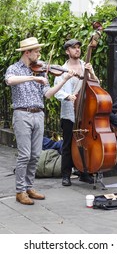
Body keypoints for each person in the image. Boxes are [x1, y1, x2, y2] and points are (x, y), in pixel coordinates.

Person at [5, 37, 75, 205]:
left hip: (39, 114)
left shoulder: (41, 70)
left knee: (35, 155)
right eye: (36, 51)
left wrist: (64, 80)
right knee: (24, 155)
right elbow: (10, 81)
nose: (39, 54)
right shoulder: (14, 68)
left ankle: (29, 187)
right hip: (22, 114)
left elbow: (48, 94)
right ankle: (20, 191)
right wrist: (32, 78)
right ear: (27, 53)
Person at [54, 39, 99, 186]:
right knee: (67, 144)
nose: (77, 50)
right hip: (69, 112)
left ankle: (84, 172)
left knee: (84, 142)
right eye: (74, 48)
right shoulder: (61, 70)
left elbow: (96, 85)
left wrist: (91, 72)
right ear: (67, 51)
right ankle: (66, 175)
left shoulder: (85, 67)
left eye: (79, 47)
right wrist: (68, 96)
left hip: (85, 113)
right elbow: (56, 91)